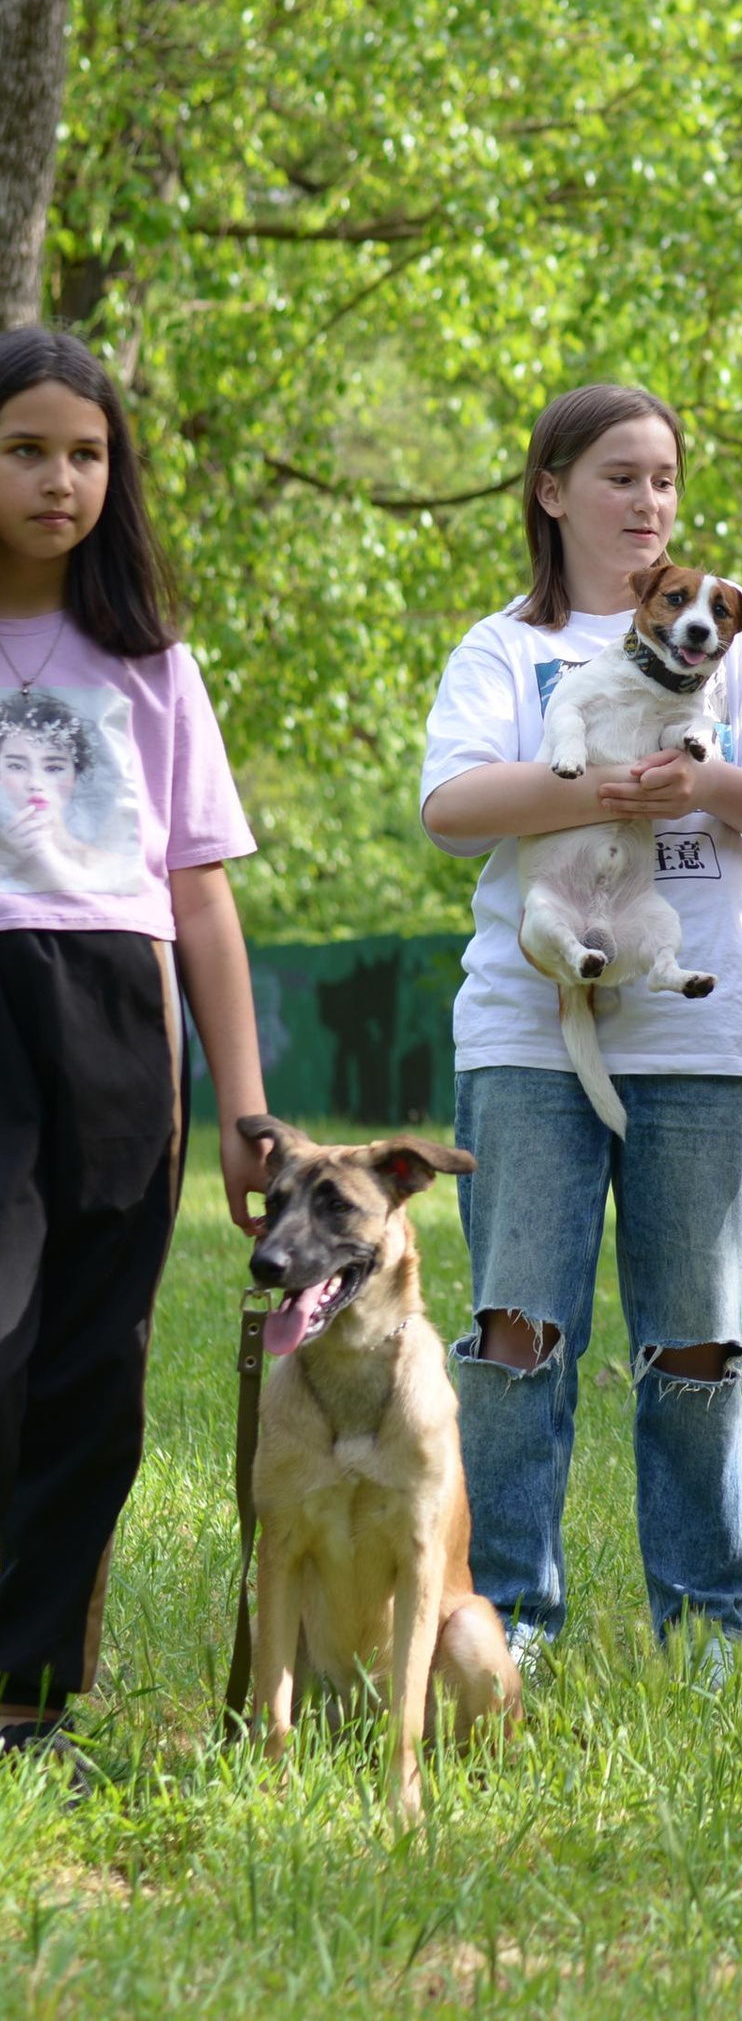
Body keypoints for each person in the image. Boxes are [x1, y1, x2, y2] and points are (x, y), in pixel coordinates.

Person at [419, 384, 742, 1684]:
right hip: (531, 1029)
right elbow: (453, 807)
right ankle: (506, 1633)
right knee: (516, 1334)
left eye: (663, 482)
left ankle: (702, 1633)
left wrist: (697, 783)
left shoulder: (739, 640)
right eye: (618, 478)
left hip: (699, 1030)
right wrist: (587, 781)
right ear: (550, 491)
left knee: (695, 1344)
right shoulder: (505, 649)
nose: (646, 505)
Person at [0, 328, 266, 1775]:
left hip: (118, 1013)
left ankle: (28, 1695)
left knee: (95, 1364)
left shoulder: (149, 660)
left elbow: (202, 894)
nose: (60, 480)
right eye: (27, 449)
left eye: (88, 454)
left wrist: (243, 1102)